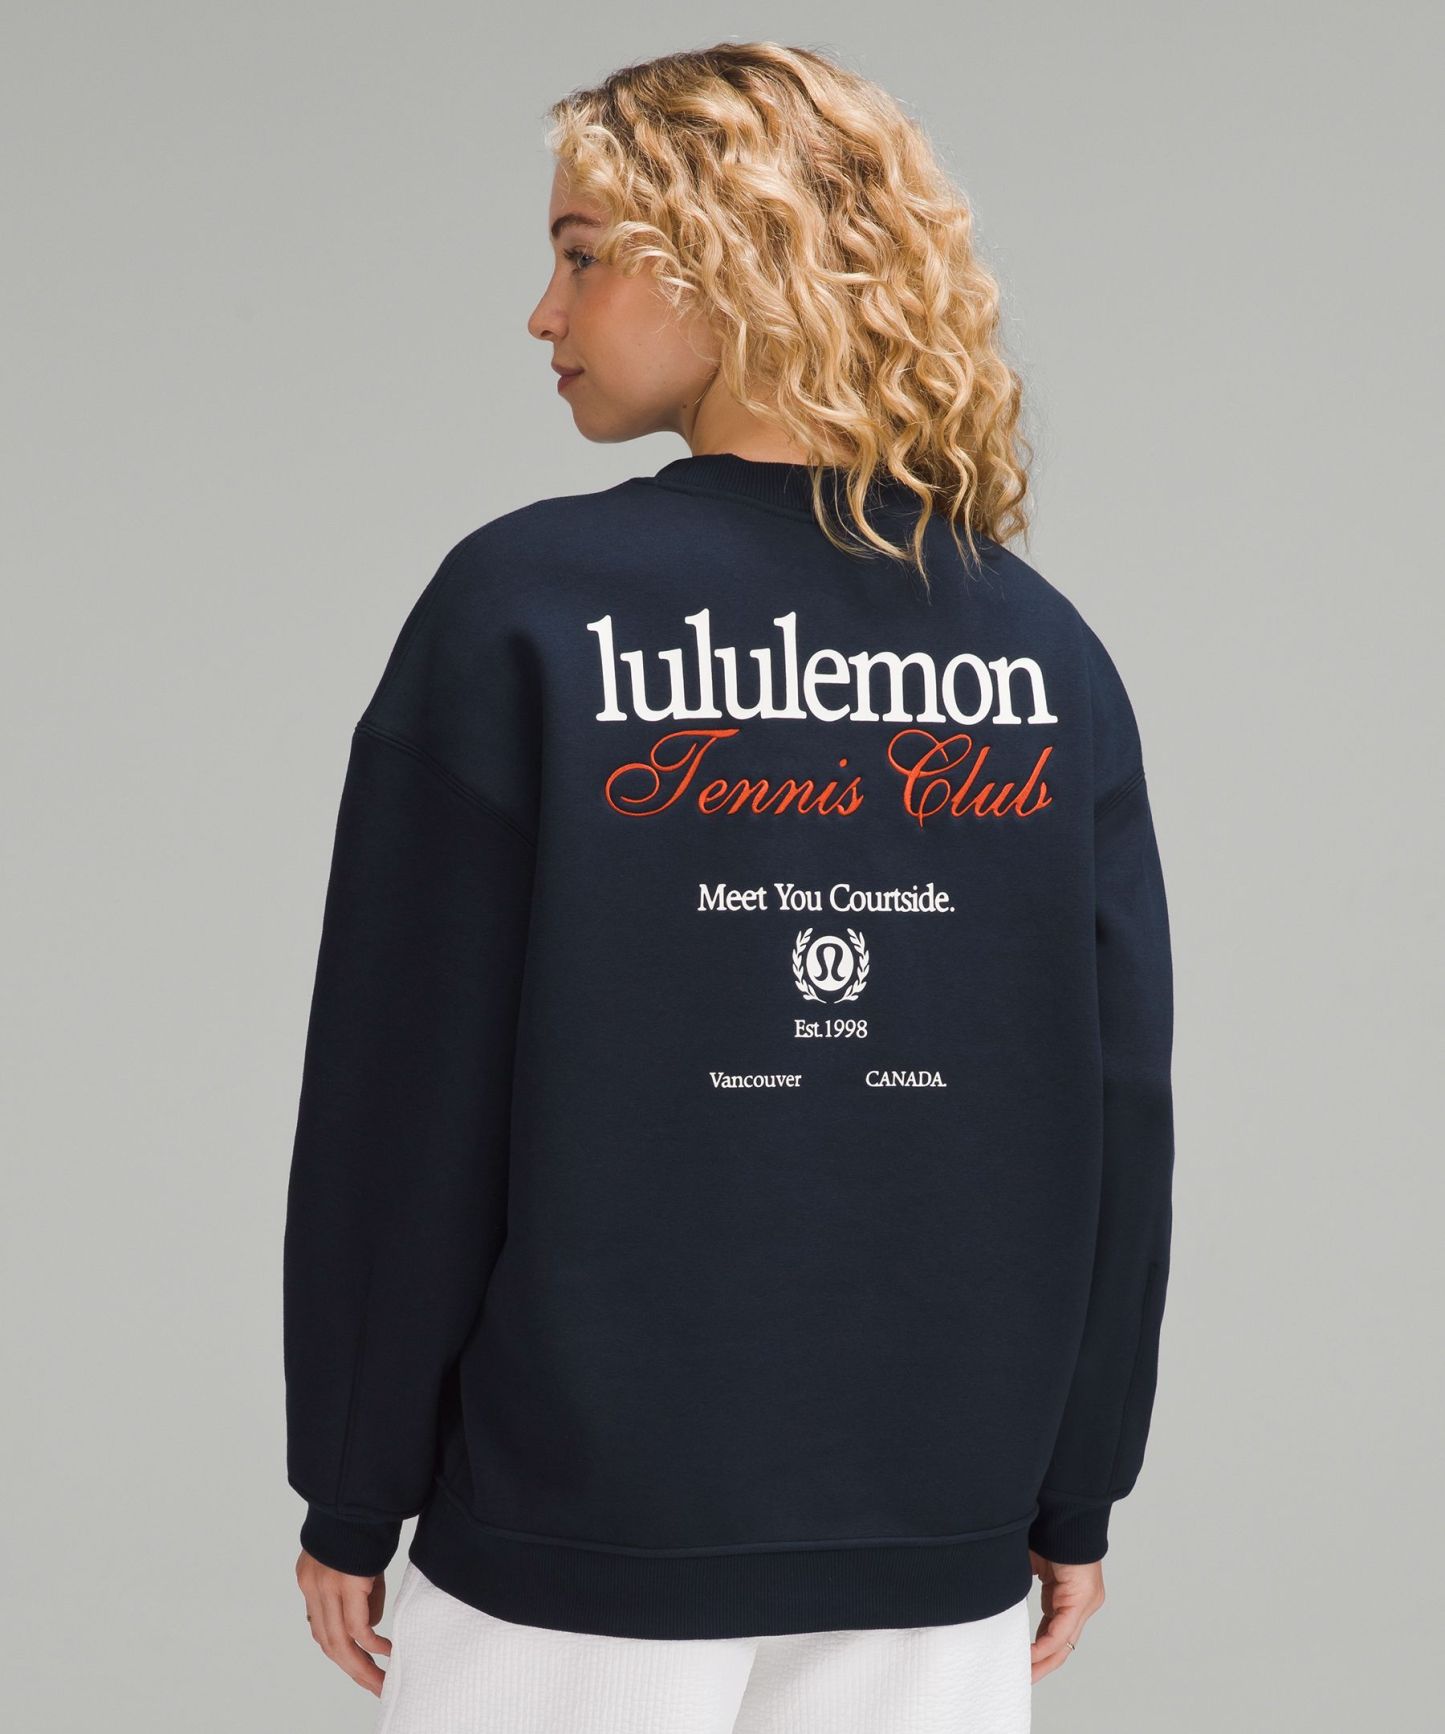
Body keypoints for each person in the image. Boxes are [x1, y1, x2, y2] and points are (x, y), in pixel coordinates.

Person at [283, 40, 1175, 1734]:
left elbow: (408, 1086)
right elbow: (1115, 1104)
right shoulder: (1037, 648)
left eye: (580, 256)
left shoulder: (525, 607)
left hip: (577, 1528)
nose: (542, 315)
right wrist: (1075, 1482)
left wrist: (354, 1474)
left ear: (727, 258)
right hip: (937, 1526)